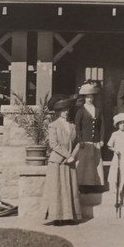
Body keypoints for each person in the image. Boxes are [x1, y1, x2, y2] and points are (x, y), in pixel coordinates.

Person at [41, 96, 82, 224]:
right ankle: (57, 217)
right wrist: (67, 155)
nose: (66, 112)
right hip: (57, 162)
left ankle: (69, 216)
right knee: (57, 189)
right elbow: (54, 144)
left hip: (70, 162)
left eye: (67, 109)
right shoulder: (53, 126)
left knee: (70, 189)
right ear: (58, 112)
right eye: (63, 110)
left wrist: (73, 156)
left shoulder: (72, 126)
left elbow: (78, 143)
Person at [74, 81, 105, 187]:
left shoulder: (98, 110)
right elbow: (77, 127)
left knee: (95, 164)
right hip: (85, 142)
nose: (89, 99)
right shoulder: (80, 111)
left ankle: (95, 184)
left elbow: (102, 126)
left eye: (91, 97)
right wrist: (80, 139)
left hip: (95, 142)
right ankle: (82, 185)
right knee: (84, 163)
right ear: (84, 98)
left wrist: (101, 139)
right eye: (87, 97)